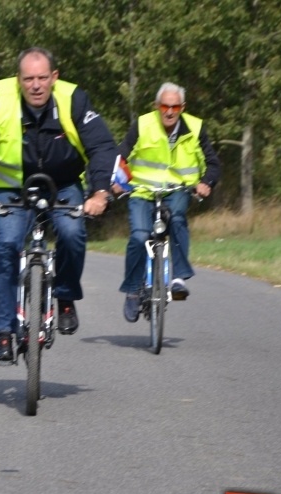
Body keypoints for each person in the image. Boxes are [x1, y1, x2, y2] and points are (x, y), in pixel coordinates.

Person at [0, 47, 117, 362]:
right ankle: (3, 333)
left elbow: (101, 145)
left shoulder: (73, 99)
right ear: (18, 79)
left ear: (54, 78)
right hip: (11, 187)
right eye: (28, 78)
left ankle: (66, 295)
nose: (35, 85)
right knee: (6, 246)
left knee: (72, 234)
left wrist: (100, 192)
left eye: (42, 78)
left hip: (64, 184)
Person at [111, 81, 221, 323]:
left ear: (183, 107)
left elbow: (213, 164)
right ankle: (132, 290)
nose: (169, 112)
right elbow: (122, 156)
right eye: (164, 106)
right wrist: (118, 181)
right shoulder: (142, 124)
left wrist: (205, 184)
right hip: (142, 191)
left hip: (177, 189)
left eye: (175, 107)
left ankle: (179, 278)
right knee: (139, 236)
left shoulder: (195, 128)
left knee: (178, 218)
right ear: (156, 106)